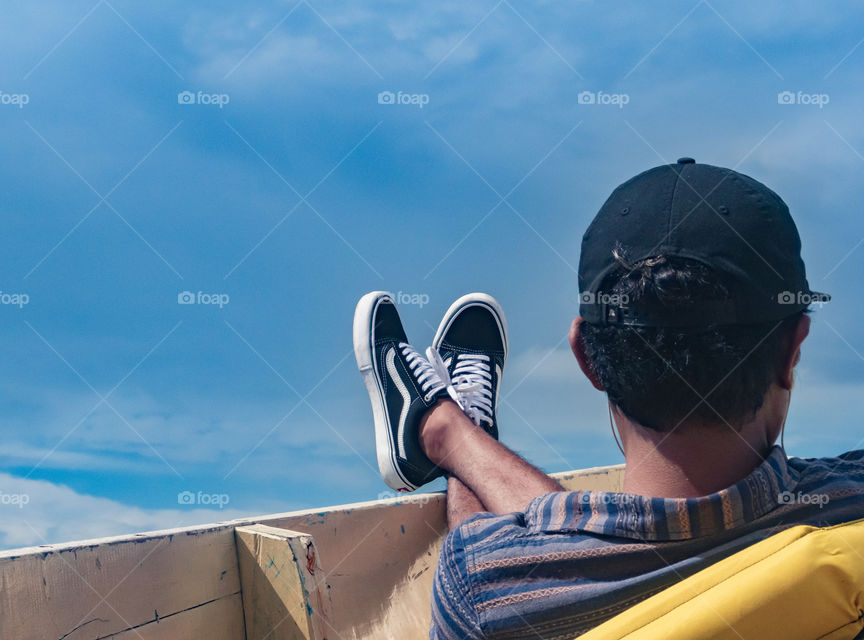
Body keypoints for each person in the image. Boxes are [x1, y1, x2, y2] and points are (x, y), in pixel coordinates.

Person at [353, 158, 864, 639]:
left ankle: (445, 430)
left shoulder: (483, 589)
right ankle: (453, 432)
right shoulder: (849, 502)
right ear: (791, 351)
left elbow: (521, 564)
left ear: (587, 360)